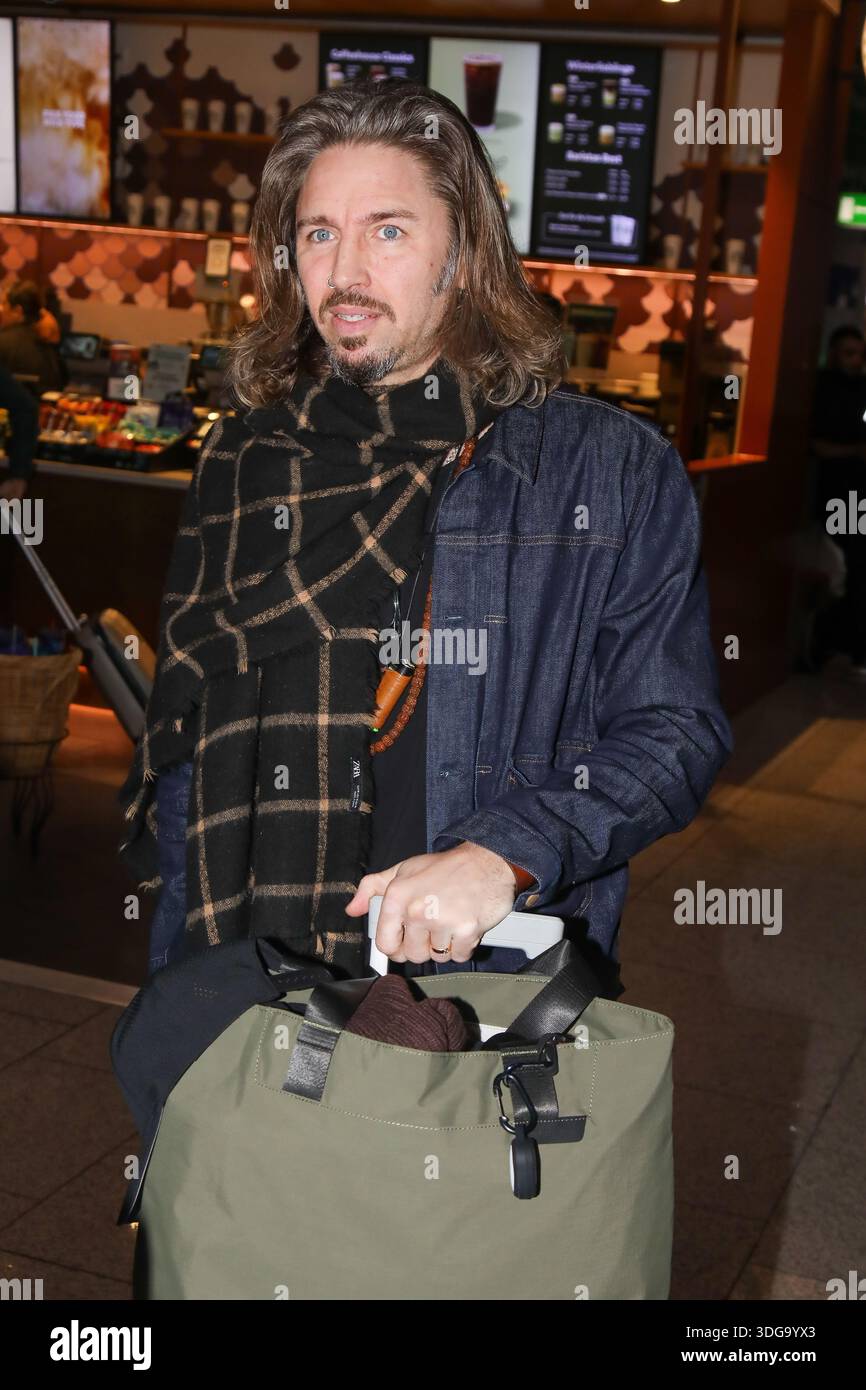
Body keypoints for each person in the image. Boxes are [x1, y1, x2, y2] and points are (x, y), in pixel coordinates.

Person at [119, 78, 731, 982]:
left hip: (469, 983)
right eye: (319, 232)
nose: (347, 270)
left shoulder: (604, 470)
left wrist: (506, 852)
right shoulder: (247, 455)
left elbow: (675, 730)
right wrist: (175, 1001)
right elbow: (189, 754)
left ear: (464, 254)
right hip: (248, 972)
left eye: (389, 230)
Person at [808, 324, 866, 676]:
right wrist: (855, 451)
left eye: (859, 354)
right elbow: (816, 443)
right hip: (838, 494)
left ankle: (846, 646)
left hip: (854, 495)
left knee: (853, 568)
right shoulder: (824, 389)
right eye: (849, 353)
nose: (856, 360)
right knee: (846, 569)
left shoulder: (859, 388)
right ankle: (834, 646)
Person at [0, 281, 64, 395]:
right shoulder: (48, 341)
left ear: (17, 311)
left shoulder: (3, 342)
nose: (1, 309)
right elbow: (60, 382)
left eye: (4, 304)